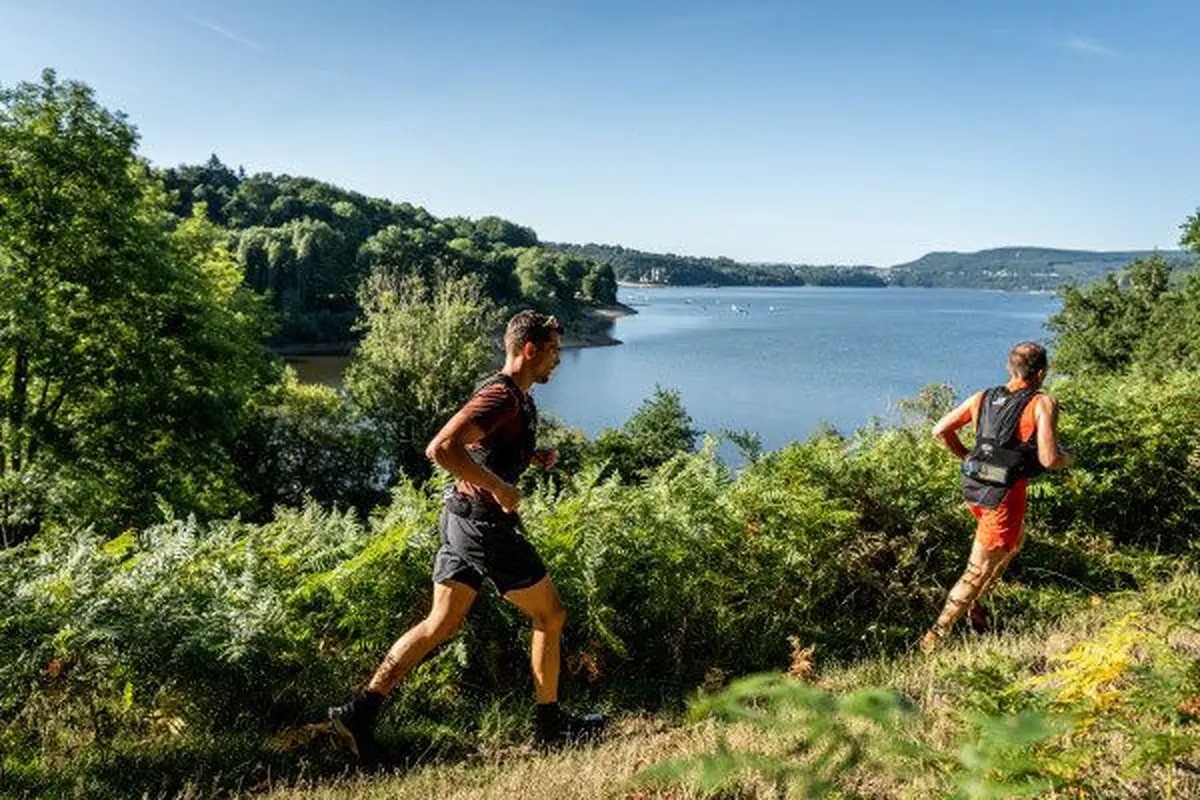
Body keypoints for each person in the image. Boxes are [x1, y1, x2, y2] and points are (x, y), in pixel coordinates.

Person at [326, 310, 606, 761]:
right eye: (553, 350)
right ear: (530, 349)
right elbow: (440, 449)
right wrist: (499, 487)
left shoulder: (517, 397)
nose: (558, 358)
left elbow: (483, 446)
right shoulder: (502, 397)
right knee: (551, 615)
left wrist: (529, 457)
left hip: (460, 516)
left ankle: (359, 712)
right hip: (484, 524)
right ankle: (550, 726)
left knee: (441, 623)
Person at [921, 342, 1072, 652]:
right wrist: (1069, 457)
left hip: (975, 489)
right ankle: (933, 638)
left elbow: (940, 430)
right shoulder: (1043, 403)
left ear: (1009, 368)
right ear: (1042, 372)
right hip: (1003, 496)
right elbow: (1048, 459)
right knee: (976, 570)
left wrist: (965, 456)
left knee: (1014, 543)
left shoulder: (983, 397)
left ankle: (975, 605)